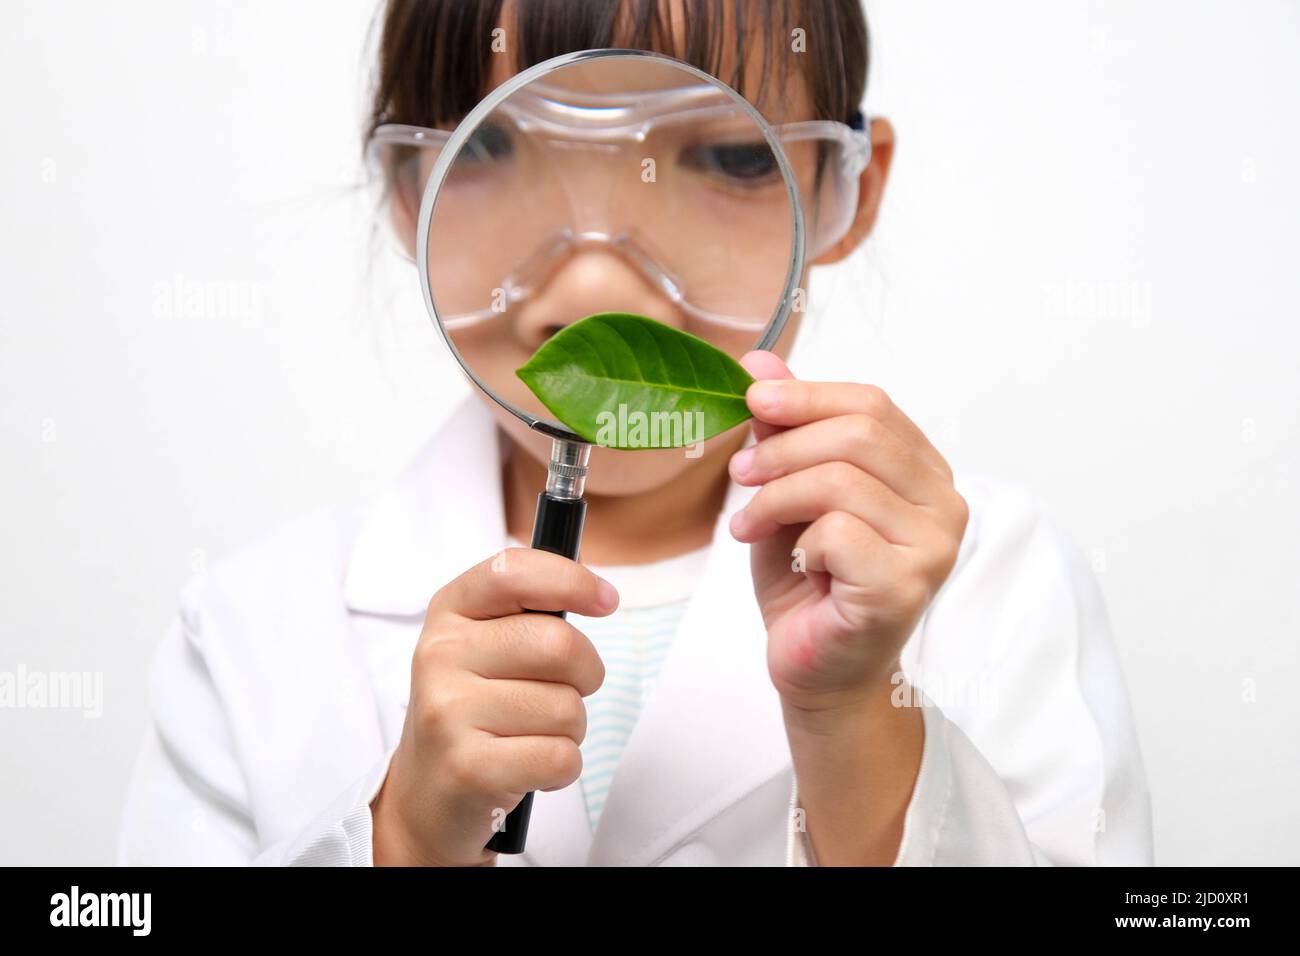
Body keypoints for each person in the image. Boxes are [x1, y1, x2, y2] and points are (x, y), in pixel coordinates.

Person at [116, 0, 1153, 867]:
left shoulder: (997, 580)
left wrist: (857, 728)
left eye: (730, 154)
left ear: (846, 188)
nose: (598, 286)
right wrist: (407, 841)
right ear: (403, 186)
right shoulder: (252, 633)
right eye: (489, 145)